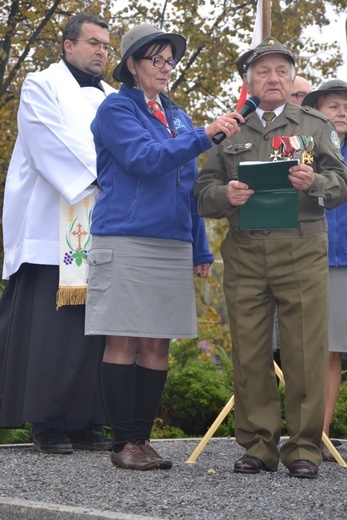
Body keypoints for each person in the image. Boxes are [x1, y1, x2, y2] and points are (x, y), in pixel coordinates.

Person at [84, 23, 241, 471]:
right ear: (132, 65)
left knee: (157, 343)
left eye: (170, 60)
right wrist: (205, 134)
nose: (165, 67)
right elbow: (145, 160)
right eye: (156, 59)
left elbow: (186, 183)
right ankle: (122, 444)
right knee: (124, 339)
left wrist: (199, 247)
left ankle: (142, 440)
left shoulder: (176, 115)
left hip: (172, 243)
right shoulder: (115, 109)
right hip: (127, 236)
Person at [194, 36, 347, 479]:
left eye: (282, 70)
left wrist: (313, 182)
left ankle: (304, 447)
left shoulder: (315, 125)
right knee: (250, 351)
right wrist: (226, 194)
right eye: (263, 71)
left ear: (292, 77)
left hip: (300, 249)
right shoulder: (228, 130)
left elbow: (341, 182)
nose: (273, 78)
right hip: (244, 251)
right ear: (248, 82)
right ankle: (257, 446)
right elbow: (202, 194)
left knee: (305, 350)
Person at [0, 14, 116, 454]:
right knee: (48, 330)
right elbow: (51, 141)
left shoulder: (113, 96)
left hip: (100, 222)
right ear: (67, 46)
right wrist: (111, 175)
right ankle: (47, 422)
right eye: (92, 42)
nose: (101, 51)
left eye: (105, 45)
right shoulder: (40, 84)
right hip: (52, 223)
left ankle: (82, 420)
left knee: (92, 330)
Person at [303, 80, 347, 462]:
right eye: (334, 106)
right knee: (328, 351)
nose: (342, 112)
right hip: (324, 259)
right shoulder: (308, 150)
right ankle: (320, 435)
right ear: (317, 111)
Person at [272, 74, 313, 370]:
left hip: (312, 259)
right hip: (269, 254)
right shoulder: (273, 140)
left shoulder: (319, 141)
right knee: (273, 351)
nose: (304, 104)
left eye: (309, 99)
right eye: (299, 96)